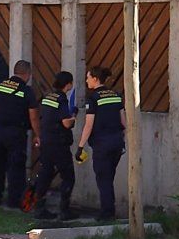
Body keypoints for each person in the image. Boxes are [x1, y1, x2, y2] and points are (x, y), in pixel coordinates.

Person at [76, 66, 126, 221]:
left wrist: (80, 146)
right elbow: (124, 122)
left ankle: (107, 213)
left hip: (102, 144)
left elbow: (89, 125)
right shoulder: (116, 96)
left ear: (95, 79)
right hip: (117, 143)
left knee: (103, 178)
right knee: (108, 177)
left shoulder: (93, 98)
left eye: (88, 77)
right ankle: (109, 209)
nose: (86, 80)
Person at [0, 60, 40, 208]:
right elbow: (34, 117)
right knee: (15, 168)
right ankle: (14, 201)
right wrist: (38, 134)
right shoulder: (27, 91)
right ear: (27, 74)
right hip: (15, 133)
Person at [33, 71, 80, 221]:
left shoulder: (47, 97)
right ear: (68, 84)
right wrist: (74, 116)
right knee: (68, 177)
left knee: (45, 175)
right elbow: (66, 123)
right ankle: (64, 211)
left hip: (46, 142)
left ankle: (39, 209)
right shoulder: (62, 99)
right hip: (59, 144)